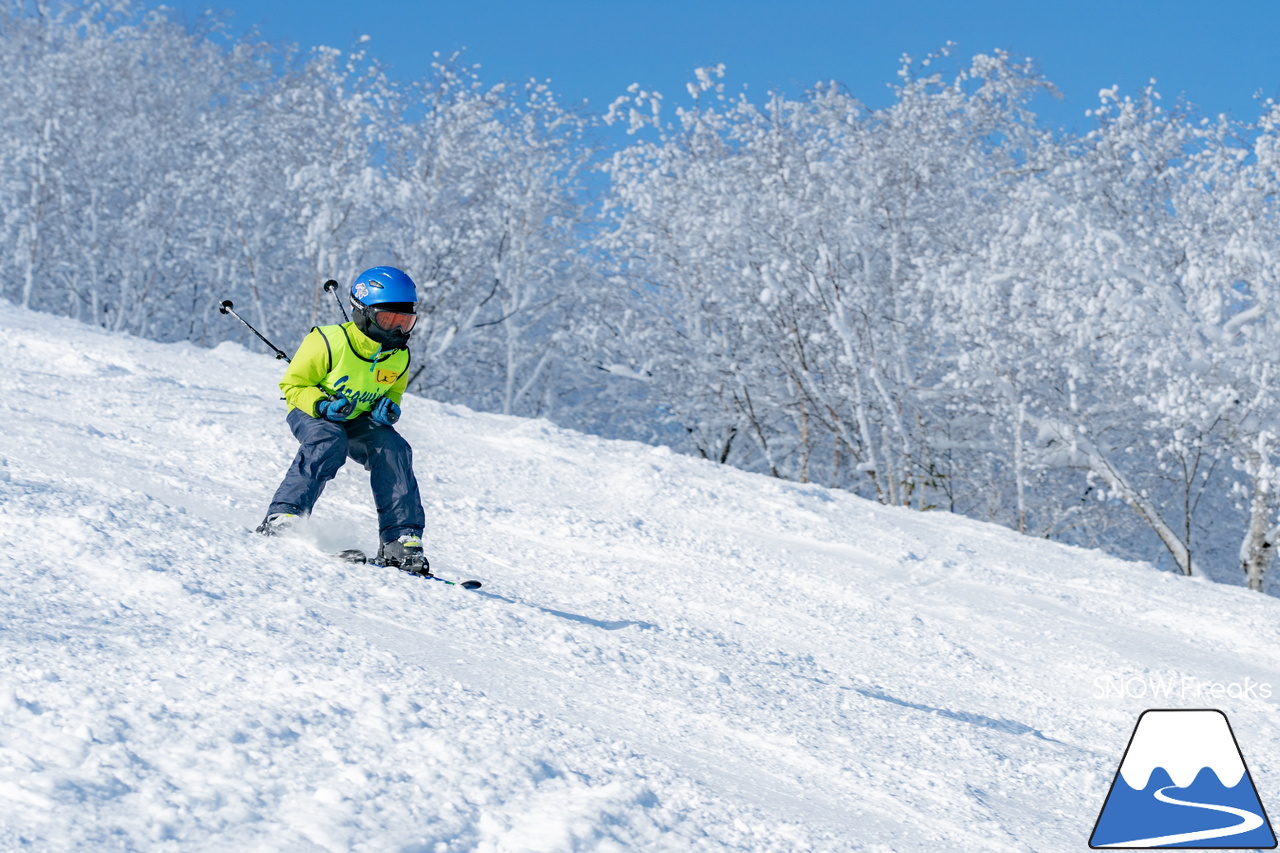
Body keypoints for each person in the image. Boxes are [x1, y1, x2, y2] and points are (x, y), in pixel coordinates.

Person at [256, 266, 428, 571]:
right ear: (364, 314)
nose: (398, 331)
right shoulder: (327, 341)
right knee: (328, 439)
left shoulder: (399, 355)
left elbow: (394, 389)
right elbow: (292, 386)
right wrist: (321, 406)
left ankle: (399, 540)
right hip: (312, 410)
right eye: (389, 320)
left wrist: (388, 406)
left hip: (358, 418)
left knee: (394, 448)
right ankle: (284, 516)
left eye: (406, 321)